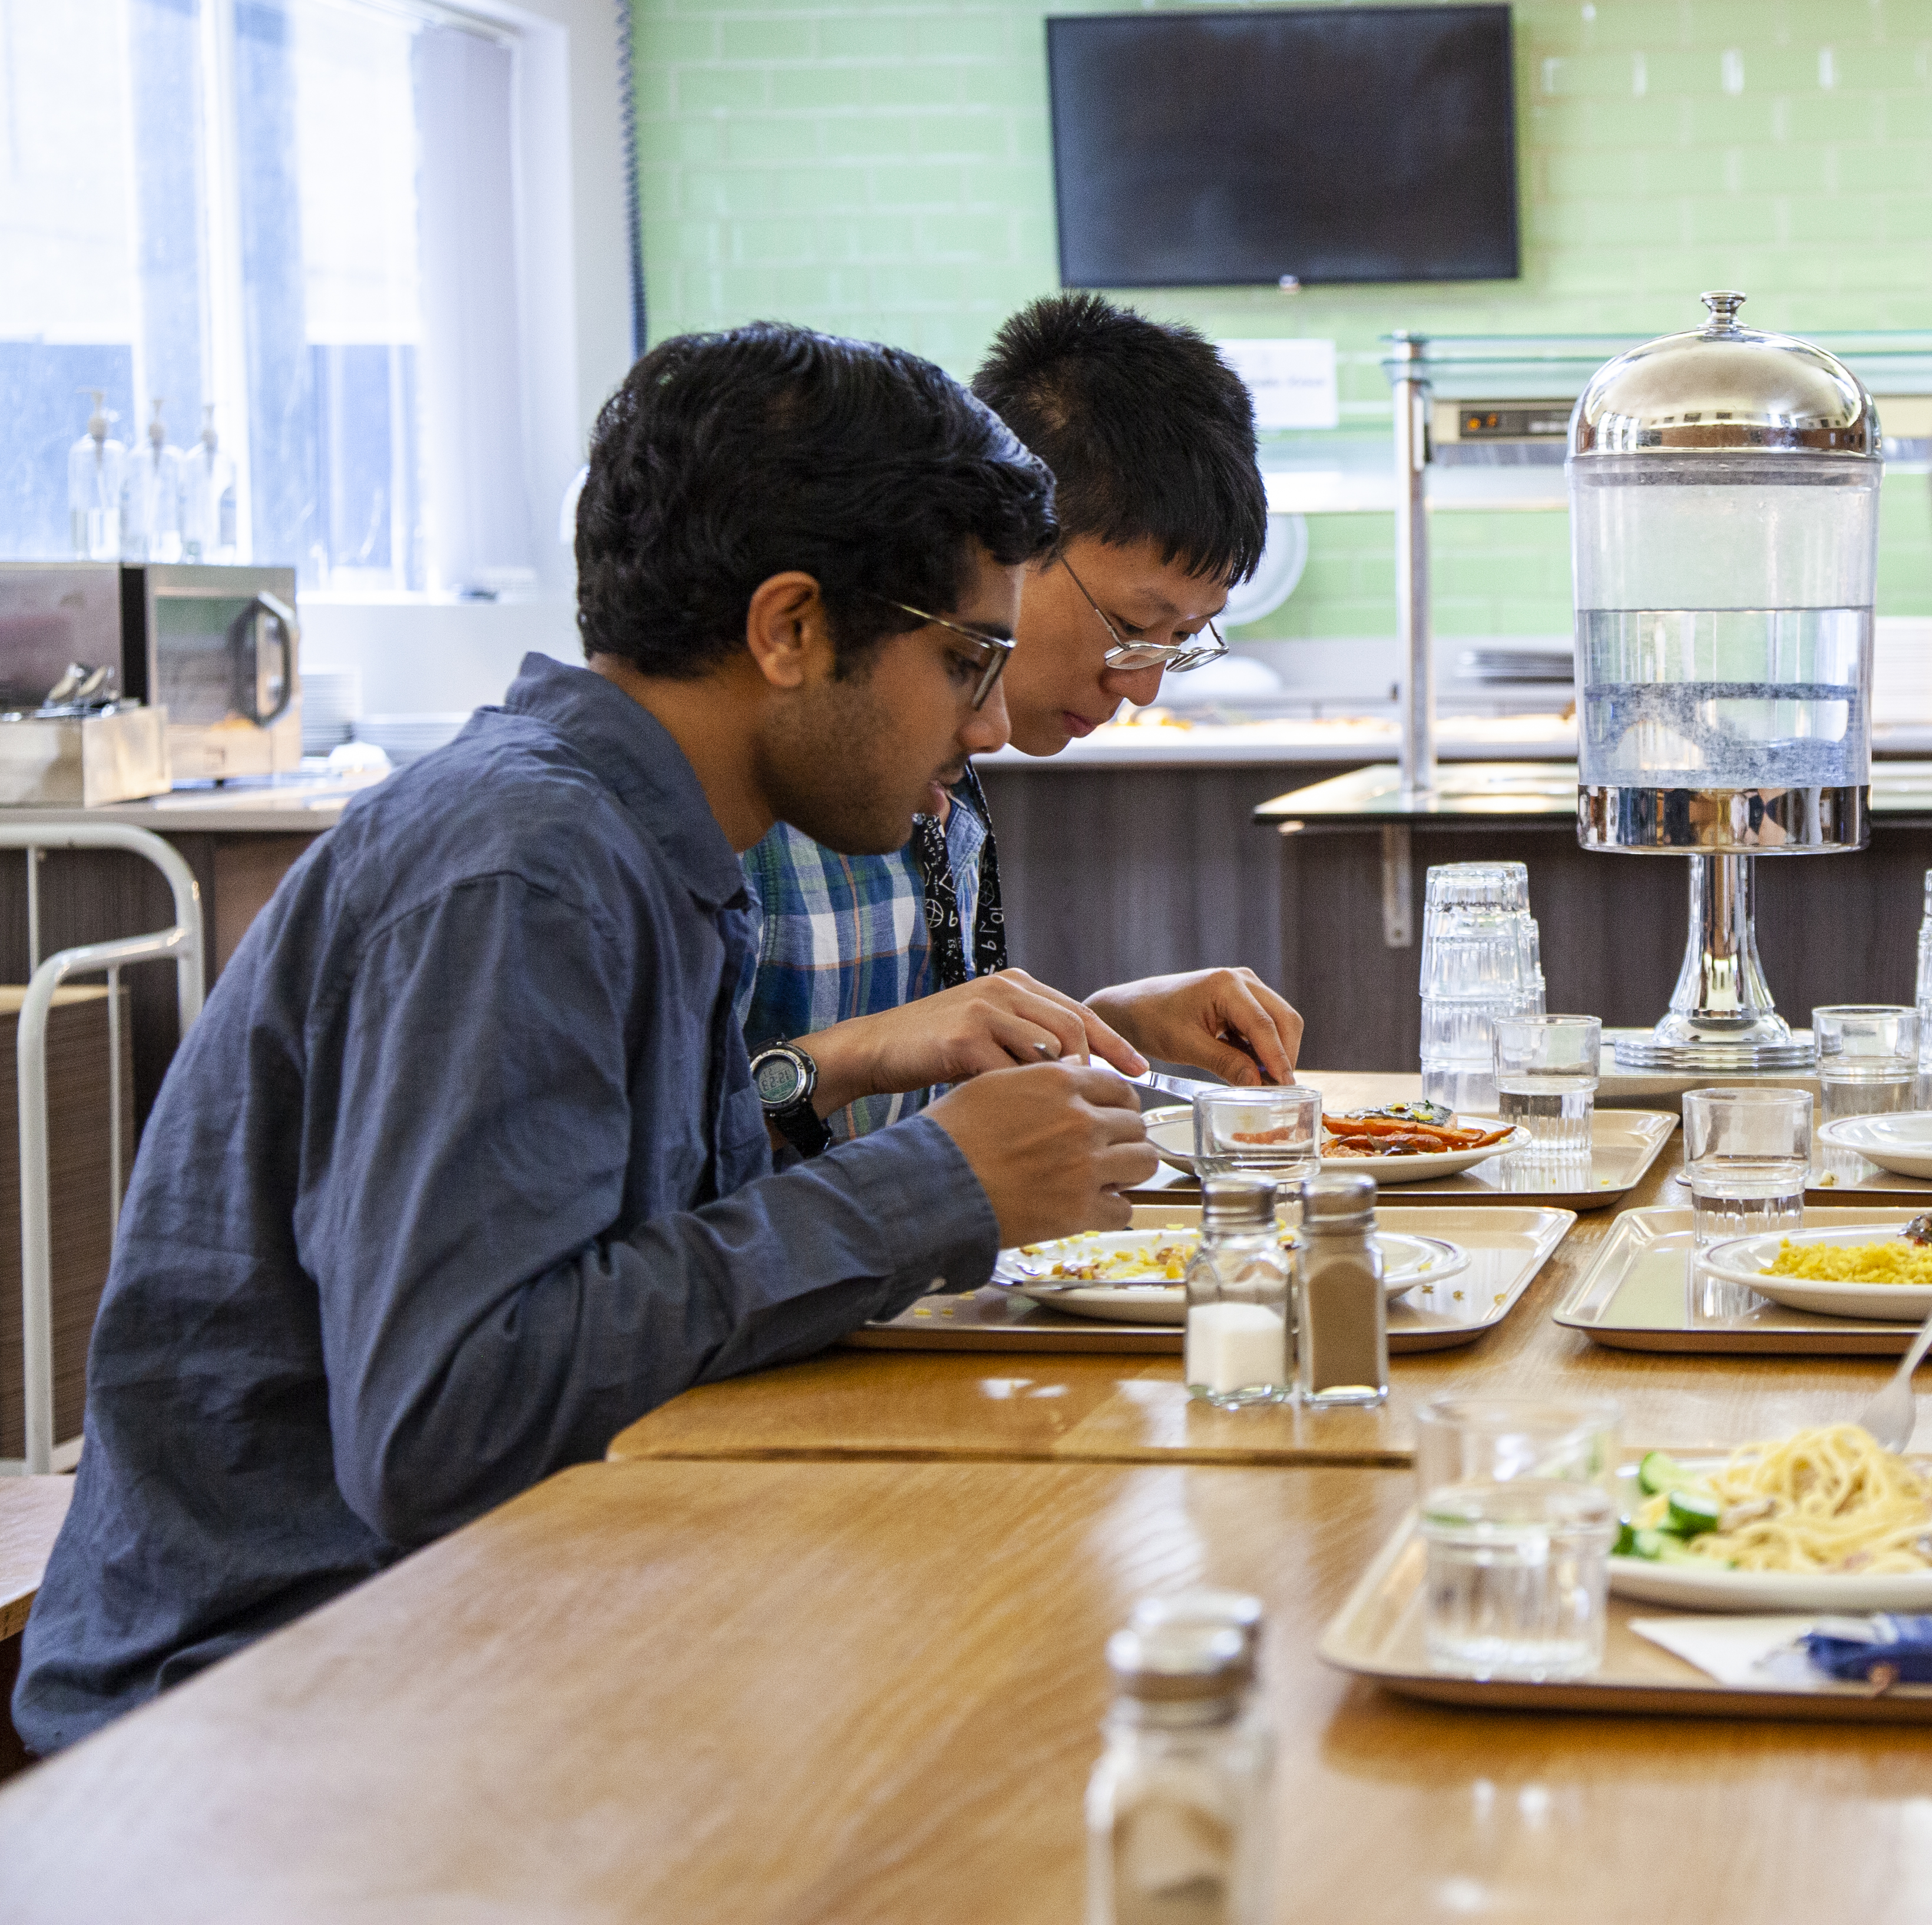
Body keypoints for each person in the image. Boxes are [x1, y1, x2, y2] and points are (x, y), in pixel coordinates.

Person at [14, 324, 1157, 1753]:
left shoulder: (646, 848)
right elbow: (448, 1425)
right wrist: (935, 1185)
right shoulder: (523, 867)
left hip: (495, 1624)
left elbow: (646, 1291)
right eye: (963, 659)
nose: (987, 721)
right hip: (273, 1710)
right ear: (790, 629)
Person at [741, 294, 1304, 1157]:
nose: (1146, 687)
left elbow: (920, 1077)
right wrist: (860, 1059)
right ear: (1004, 542)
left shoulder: (949, 771)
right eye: (1132, 627)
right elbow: (663, 1174)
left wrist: (1102, 1020)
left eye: (1183, 643)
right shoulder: (758, 780)